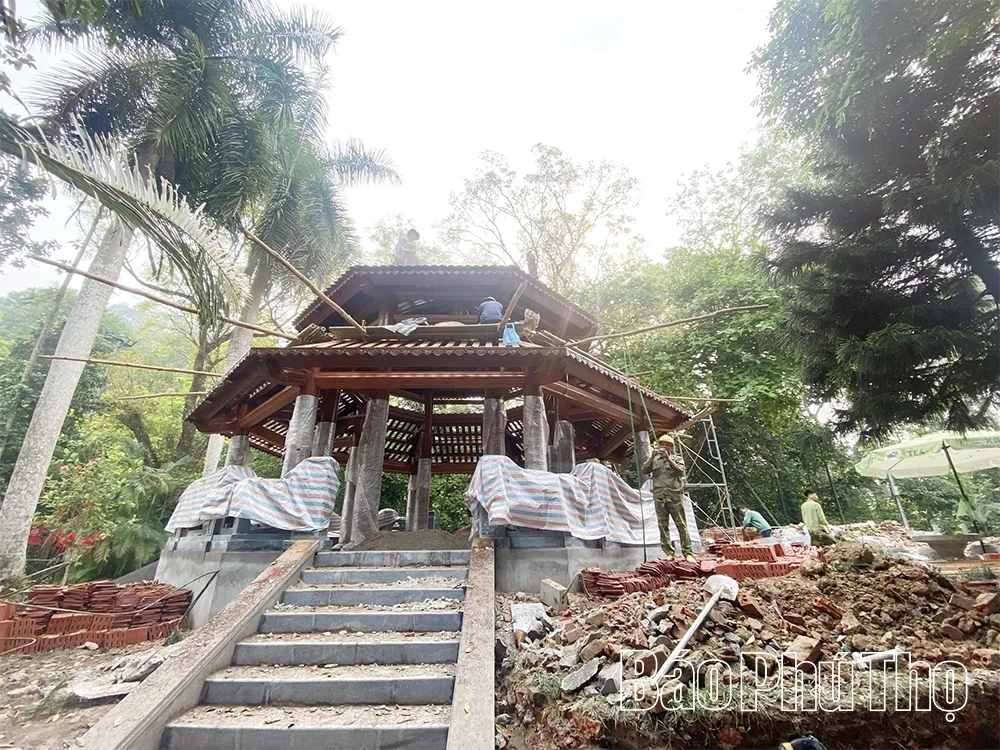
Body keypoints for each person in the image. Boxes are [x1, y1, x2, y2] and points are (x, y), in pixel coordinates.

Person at [642, 433, 694, 562]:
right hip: (659, 496)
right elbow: (644, 470)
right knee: (662, 525)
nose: (664, 447)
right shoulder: (655, 460)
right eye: (662, 444)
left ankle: (688, 552)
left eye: (667, 445)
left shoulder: (677, 459)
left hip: (674, 495)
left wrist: (669, 460)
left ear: (671, 448)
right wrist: (652, 457)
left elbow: (680, 472)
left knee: (681, 524)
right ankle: (669, 552)